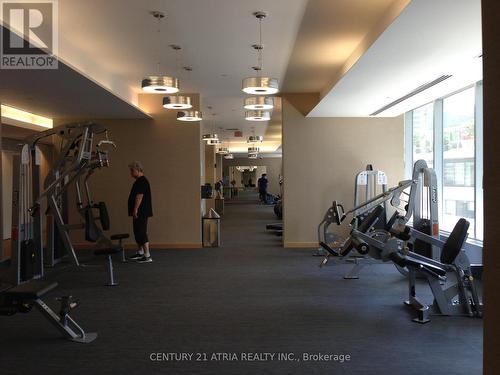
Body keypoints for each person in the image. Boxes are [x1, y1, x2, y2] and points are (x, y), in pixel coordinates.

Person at [127, 161, 153, 263]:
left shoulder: (142, 181)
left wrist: (135, 209)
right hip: (138, 212)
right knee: (137, 232)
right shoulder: (138, 181)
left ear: (138, 170)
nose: (131, 173)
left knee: (141, 232)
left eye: (132, 170)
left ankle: (147, 256)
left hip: (141, 211)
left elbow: (139, 196)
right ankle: (140, 252)